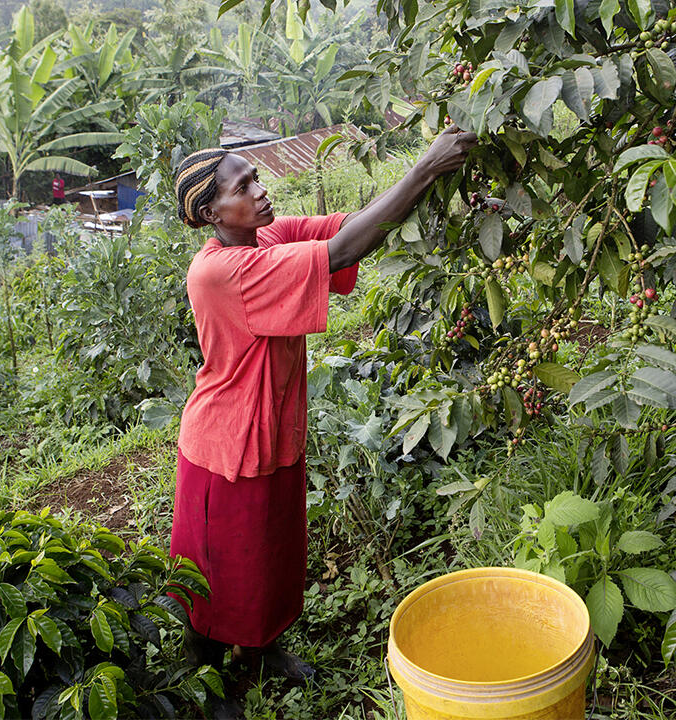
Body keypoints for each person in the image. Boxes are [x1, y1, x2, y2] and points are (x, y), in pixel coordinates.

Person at [168, 125, 476, 717]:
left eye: (255, 177)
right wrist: (425, 168)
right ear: (211, 211)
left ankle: (263, 649)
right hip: (225, 444)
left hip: (274, 430)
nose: (260, 190)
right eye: (243, 185)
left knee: (272, 553)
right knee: (215, 570)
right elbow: (340, 253)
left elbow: (345, 226)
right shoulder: (218, 272)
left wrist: (437, 190)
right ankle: (203, 682)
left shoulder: (263, 239)